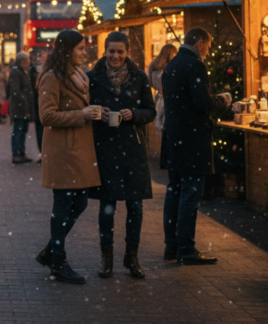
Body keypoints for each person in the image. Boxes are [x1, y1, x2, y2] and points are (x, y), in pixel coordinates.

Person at [86, 32, 156, 279]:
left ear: (127, 53)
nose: (115, 56)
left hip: (133, 151)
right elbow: (82, 110)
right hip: (105, 150)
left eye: (120, 51)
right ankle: (107, 258)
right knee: (107, 207)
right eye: (111, 51)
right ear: (104, 51)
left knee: (135, 206)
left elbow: (150, 111)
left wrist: (134, 114)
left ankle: (132, 256)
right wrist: (98, 113)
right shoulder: (92, 78)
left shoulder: (139, 78)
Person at [35, 29, 101, 285]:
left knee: (81, 202)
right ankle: (58, 261)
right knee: (62, 206)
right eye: (81, 48)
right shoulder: (52, 78)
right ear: (67, 50)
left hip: (79, 150)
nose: (85, 53)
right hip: (63, 150)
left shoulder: (77, 76)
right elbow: (47, 116)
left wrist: (96, 113)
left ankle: (51, 252)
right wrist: (82, 115)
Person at [161, 28, 231, 265]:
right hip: (193, 141)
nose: (208, 52)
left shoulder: (171, 66)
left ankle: (171, 246)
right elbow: (202, 103)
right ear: (200, 43)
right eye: (208, 47)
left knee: (174, 192)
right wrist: (223, 99)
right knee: (190, 195)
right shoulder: (195, 65)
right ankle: (187, 249)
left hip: (174, 140)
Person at [8, 52, 34, 164]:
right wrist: (24, 104)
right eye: (27, 60)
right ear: (22, 61)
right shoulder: (16, 72)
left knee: (23, 131)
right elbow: (16, 91)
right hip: (19, 108)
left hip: (24, 107)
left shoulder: (23, 71)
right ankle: (16, 154)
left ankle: (22, 153)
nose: (29, 62)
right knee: (18, 131)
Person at [147, 44, 177, 133]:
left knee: (158, 126)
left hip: (157, 98)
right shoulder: (170, 68)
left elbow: (149, 83)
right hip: (169, 100)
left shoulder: (154, 65)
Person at [29, 48, 48, 159]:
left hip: (44, 103)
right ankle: (42, 152)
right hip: (37, 104)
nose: (39, 58)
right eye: (38, 55)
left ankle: (45, 152)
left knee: (45, 128)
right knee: (40, 128)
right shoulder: (33, 70)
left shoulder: (48, 69)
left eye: (41, 55)